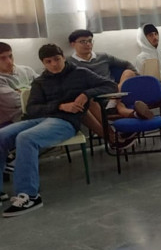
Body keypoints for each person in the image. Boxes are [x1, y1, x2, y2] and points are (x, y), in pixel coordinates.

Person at [0, 44, 117, 217]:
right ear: (43, 63)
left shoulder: (80, 73)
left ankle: (30, 196)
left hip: (65, 121)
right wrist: (61, 105)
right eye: (49, 61)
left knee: (26, 138)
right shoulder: (40, 81)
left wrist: (86, 94)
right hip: (39, 119)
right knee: (2, 136)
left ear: (63, 57)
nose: (54, 64)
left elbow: (111, 86)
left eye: (57, 59)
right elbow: (32, 109)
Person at [0, 42, 37, 127]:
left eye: (10, 56)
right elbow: (17, 102)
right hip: (12, 121)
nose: (9, 61)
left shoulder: (26, 70)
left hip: (37, 113)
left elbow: (47, 88)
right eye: (2, 58)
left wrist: (23, 93)